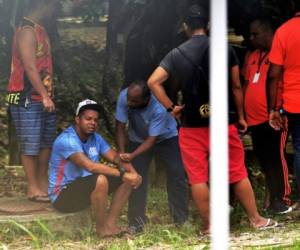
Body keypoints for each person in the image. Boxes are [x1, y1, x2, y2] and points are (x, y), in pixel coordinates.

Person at [147, 4, 277, 234]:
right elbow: (236, 86)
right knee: (236, 171)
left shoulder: (176, 54)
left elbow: (152, 82)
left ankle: (210, 226)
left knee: (197, 177)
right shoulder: (225, 49)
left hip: (190, 125)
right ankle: (256, 219)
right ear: (207, 25)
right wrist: (242, 116)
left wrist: (172, 108)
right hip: (222, 121)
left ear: (185, 26)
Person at [48, 99, 142, 237]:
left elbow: (116, 157)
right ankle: (101, 228)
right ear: (77, 120)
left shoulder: (96, 138)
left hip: (84, 189)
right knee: (101, 180)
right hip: (62, 196)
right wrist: (122, 174)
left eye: (96, 120)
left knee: (127, 179)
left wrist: (134, 174)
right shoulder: (67, 140)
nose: (92, 123)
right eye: (88, 119)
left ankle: (110, 225)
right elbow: (90, 167)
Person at [115, 80, 189, 233]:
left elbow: (151, 141)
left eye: (134, 101)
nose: (129, 103)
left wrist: (132, 155)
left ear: (146, 99)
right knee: (136, 177)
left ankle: (180, 220)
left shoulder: (158, 107)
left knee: (177, 173)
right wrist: (122, 153)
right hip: (137, 138)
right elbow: (120, 126)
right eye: (128, 98)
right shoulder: (125, 97)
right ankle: (136, 222)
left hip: (166, 136)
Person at [6, 0, 58, 202]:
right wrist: (44, 95)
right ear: (42, 5)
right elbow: (29, 67)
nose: (55, 10)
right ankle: (33, 187)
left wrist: (48, 94)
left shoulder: (41, 30)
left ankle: (43, 182)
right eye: (53, 6)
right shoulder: (26, 31)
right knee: (30, 143)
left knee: (46, 142)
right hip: (26, 96)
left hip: (44, 96)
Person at [243, 17, 291, 214]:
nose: (251, 38)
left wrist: (279, 110)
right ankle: (273, 200)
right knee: (264, 160)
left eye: (256, 34)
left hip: (273, 118)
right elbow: (246, 84)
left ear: (268, 32)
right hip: (253, 119)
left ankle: (283, 199)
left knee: (276, 158)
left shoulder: (279, 54)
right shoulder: (252, 55)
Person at [267, 0, 300, 209]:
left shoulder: (284, 31)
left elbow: (274, 74)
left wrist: (273, 109)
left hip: (295, 101)